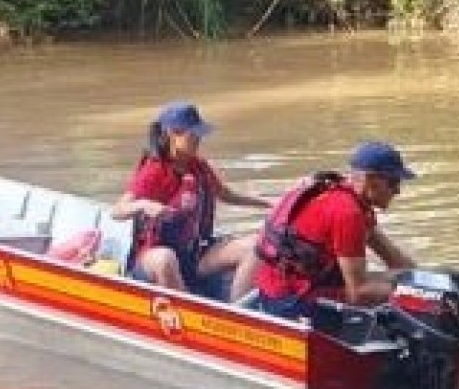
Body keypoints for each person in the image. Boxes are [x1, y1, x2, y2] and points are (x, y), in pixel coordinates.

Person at [239, 141, 420, 321]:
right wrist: (414, 296)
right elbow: (358, 293)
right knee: (398, 296)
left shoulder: (347, 194)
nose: (397, 191)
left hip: (287, 286)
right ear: (370, 179)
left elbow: (394, 259)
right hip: (289, 302)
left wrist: (425, 283)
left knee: (400, 282)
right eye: (393, 182)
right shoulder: (347, 213)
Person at [111, 102, 273, 299]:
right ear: (172, 134)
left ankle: (237, 310)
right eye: (192, 134)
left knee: (255, 245)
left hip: (195, 254)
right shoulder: (154, 170)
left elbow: (226, 194)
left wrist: (269, 204)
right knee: (165, 259)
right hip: (152, 258)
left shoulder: (198, 166)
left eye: (199, 134)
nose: (199, 139)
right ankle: (188, 310)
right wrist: (144, 204)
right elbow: (118, 211)